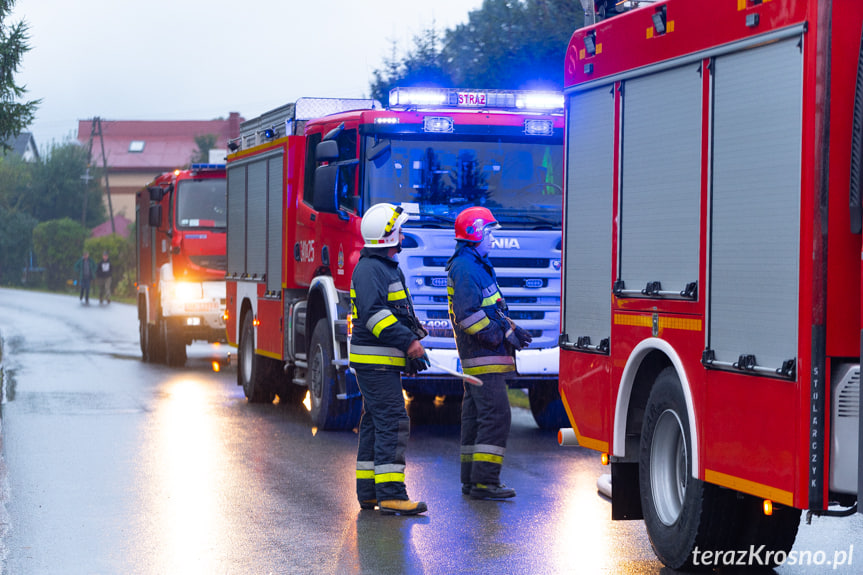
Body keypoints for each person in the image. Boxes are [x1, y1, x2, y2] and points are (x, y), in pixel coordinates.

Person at [446, 206, 532, 500]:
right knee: (496, 417)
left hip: (481, 358)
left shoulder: (473, 265)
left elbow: (490, 309)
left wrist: (510, 328)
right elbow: (468, 315)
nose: (493, 240)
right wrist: (499, 335)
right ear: (476, 234)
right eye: (490, 233)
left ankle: (473, 480)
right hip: (485, 359)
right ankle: (485, 481)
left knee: (475, 418)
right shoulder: (468, 268)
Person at [350, 202, 429, 516]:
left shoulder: (381, 267)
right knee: (393, 422)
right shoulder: (371, 269)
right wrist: (407, 341)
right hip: (376, 362)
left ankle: (370, 492)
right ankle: (392, 494)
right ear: (389, 235)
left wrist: (412, 335)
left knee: (375, 421)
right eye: (399, 229)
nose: (403, 233)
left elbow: (396, 312)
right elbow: (374, 315)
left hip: (380, 361)